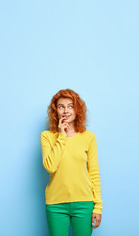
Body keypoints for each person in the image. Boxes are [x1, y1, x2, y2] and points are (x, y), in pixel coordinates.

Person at [40, 88, 103, 236]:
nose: (66, 110)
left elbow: (94, 173)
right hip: (56, 204)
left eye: (70, 106)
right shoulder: (47, 136)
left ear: (77, 110)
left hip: (84, 203)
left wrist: (98, 207)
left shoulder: (89, 137)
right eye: (61, 106)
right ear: (56, 111)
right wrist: (62, 136)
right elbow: (50, 166)